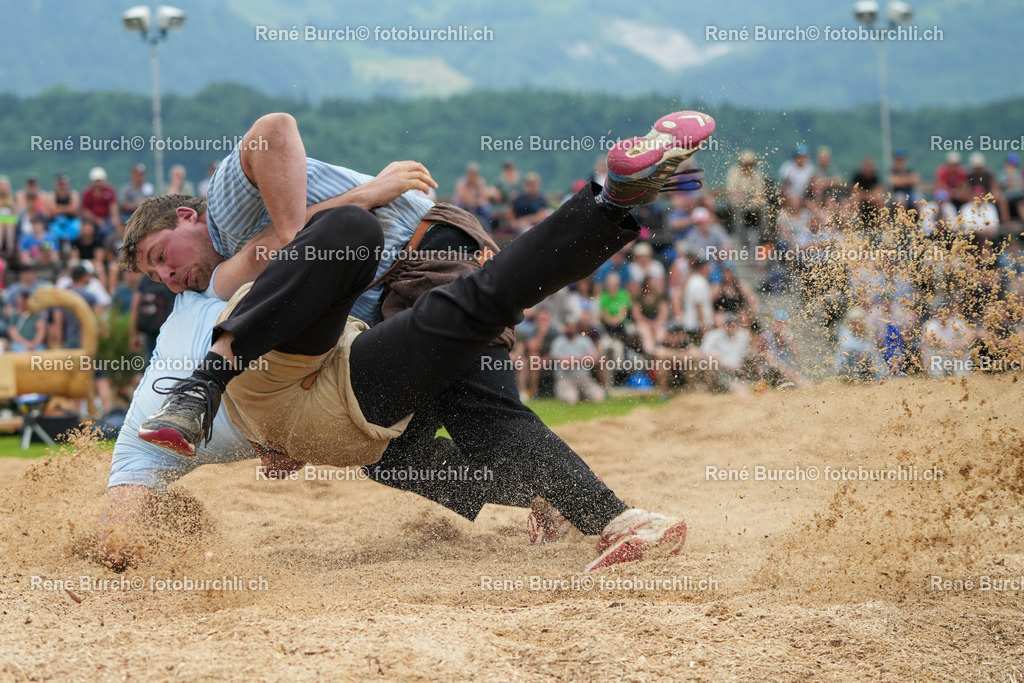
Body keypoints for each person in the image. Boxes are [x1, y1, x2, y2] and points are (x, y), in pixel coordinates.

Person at [108, 110, 716, 575]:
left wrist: (319, 220)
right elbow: (294, 304)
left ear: (185, 216)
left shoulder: (222, 212)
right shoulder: (221, 279)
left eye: (160, 256)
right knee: (401, 456)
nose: (167, 276)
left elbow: (274, 129)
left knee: (477, 406)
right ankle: (611, 201)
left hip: (420, 255)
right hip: (384, 310)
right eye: (154, 277)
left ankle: (610, 516)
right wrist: (275, 439)